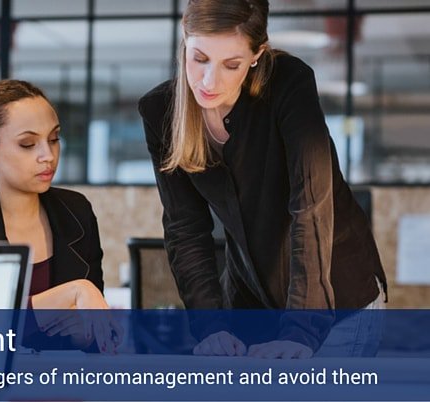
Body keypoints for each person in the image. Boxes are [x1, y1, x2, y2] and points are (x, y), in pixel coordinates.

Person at [138, 0, 387, 358]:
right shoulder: (160, 110)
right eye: (199, 58)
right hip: (250, 302)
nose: (209, 81)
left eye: (232, 64)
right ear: (184, 41)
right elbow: (184, 228)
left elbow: (311, 208)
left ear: (257, 55)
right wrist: (210, 327)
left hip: (337, 300)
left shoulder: (288, 83)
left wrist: (301, 331)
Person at [0, 79, 121, 353]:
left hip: (62, 384)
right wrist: (70, 293)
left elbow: (94, 325)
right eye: (28, 144)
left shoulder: (76, 211)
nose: (48, 155)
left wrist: (85, 335)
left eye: (54, 139)